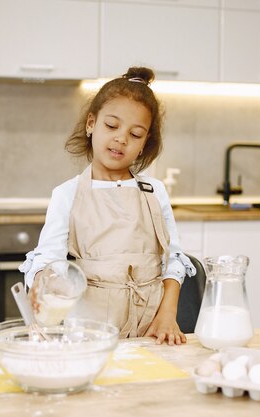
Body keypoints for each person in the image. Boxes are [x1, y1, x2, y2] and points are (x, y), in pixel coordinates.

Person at [19, 67, 196, 345]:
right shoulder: (67, 194)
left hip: (150, 330)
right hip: (88, 333)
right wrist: (44, 283)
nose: (121, 138)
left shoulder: (154, 191)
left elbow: (173, 260)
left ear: (144, 144)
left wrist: (167, 314)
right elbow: (48, 260)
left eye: (135, 134)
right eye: (111, 126)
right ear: (91, 124)